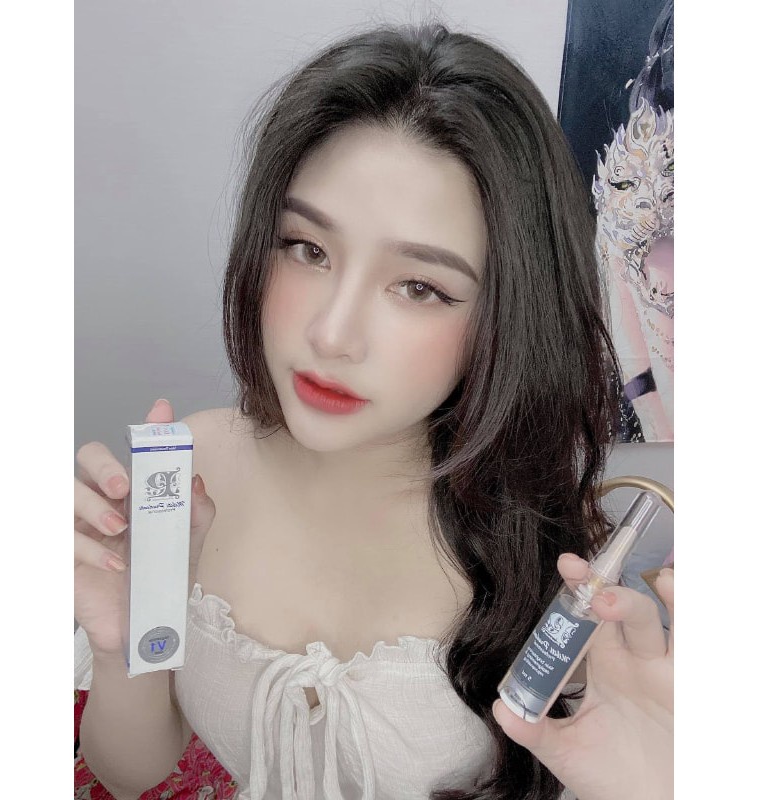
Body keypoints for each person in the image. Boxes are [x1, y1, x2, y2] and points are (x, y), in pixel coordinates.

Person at [74, 23, 673, 800]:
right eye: (307, 248)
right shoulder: (194, 470)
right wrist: (123, 641)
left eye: (419, 287)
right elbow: (133, 771)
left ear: (506, 316)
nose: (331, 334)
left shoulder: (550, 558)